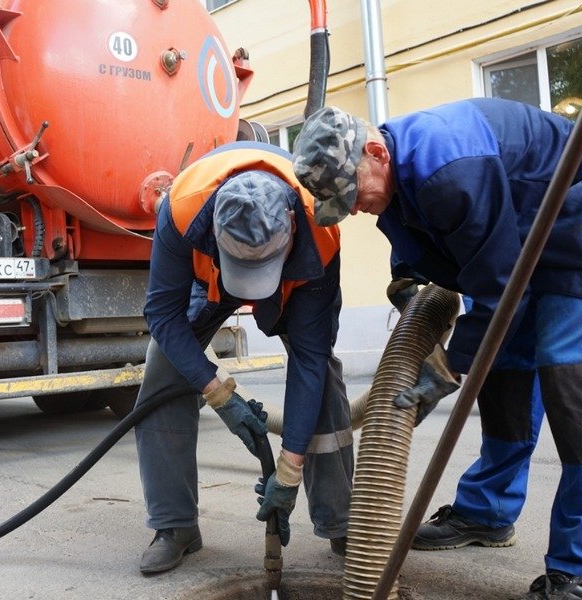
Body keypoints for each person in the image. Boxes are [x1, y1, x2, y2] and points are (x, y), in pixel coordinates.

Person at [291, 99, 582, 600]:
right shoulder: (397, 172)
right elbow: (413, 232)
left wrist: (446, 367)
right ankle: (488, 512)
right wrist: (406, 278)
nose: (355, 207)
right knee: (505, 379)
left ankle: (573, 566)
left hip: (572, 239)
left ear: (376, 152)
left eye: (352, 192)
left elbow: (500, 291)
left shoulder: (451, 168)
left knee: (569, 390)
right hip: (519, 246)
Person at [134, 140, 353, 575]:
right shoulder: (182, 209)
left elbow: (308, 360)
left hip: (296, 275)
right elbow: (162, 314)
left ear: (290, 224)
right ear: (213, 231)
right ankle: (174, 525)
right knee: (164, 370)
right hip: (210, 274)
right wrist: (218, 393)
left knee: (322, 377)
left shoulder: (319, 225)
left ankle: (339, 520)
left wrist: (288, 471)